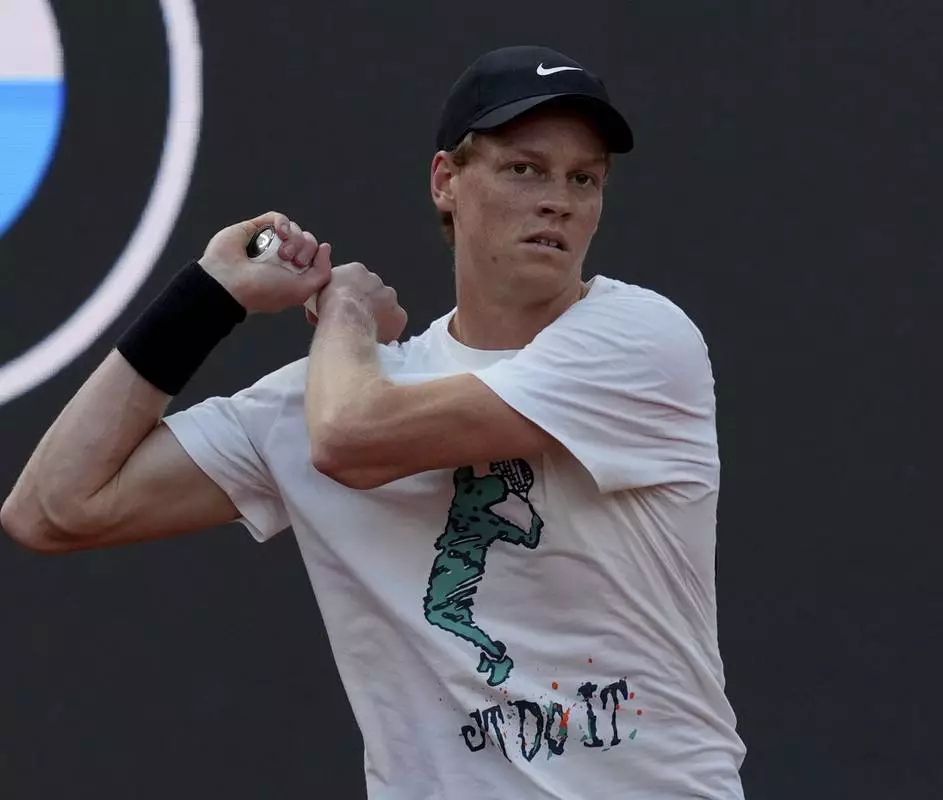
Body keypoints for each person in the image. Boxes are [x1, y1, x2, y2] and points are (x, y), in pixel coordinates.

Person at [2, 45, 746, 798]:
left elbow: (352, 439)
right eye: (524, 169)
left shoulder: (642, 339)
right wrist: (206, 298)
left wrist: (346, 312)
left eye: (583, 179)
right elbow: (53, 509)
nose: (557, 199)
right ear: (446, 182)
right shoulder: (334, 387)